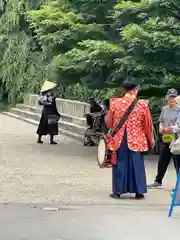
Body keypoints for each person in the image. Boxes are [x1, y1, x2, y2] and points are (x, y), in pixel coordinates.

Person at [105, 76, 154, 200]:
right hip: (137, 139)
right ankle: (139, 192)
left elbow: (109, 123)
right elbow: (147, 124)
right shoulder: (142, 104)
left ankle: (117, 191)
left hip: (119, 139)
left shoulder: (115, 103)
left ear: (124, 89)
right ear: (136, 89)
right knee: (136, 164)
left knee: (120, 164)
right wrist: (151, 139)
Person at [147, 89, 180, 189]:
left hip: (176, 140)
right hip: (165, 138)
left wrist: (171, 129)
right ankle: (158, 181)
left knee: (177, 162)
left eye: (174, 97)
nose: (172, 99)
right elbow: (161, 120)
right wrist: (161, 127)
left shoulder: (179, 110)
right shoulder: (165, 109)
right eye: (170, 97)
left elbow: (178, 126)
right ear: (167, 97)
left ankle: (178, 185)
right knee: (162, 160)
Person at [37, 80, 60, 144]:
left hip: (45, 111)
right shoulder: (50, 95)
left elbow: (39, 103)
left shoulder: (42, 94)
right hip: (51, 111)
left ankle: (39, 139)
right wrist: (57, 113)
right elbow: (52, 104)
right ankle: (51, 140)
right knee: (52, 125)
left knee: (42, 124)